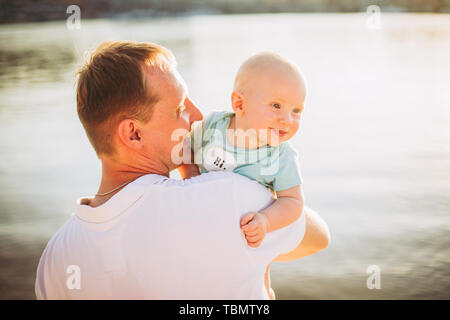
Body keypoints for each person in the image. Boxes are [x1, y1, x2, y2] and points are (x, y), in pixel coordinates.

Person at [35, 41, 330, 299]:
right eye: (179, 109)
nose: (199, 115)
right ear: (134, 133)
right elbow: (318, 236)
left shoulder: (54, 259)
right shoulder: (226, 195)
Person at [180, 52, 307, 299]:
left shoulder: (281, 157)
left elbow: (293, 202)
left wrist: (266, 221)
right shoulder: (213, 126)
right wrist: (190, 177)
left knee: (258, 286)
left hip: (248, 232)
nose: (287, 119)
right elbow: (187, 148)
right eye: (276, 106)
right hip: (207, 224)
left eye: (297, 110)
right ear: (239, 105)